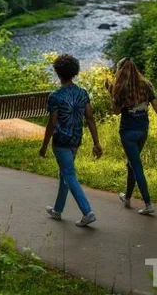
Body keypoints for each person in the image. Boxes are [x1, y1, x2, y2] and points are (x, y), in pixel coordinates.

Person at [39, 54, 103, 227]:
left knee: (68, 174)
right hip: (76, 140)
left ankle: (87, 212)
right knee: (65, 174)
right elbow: (90, 118)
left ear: (58, 73)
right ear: (74, 72)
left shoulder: (55, 96)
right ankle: (57, 210)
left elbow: (52, 123)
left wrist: (44, 146)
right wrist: (96, 142)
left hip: (60, 142)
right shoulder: (82, 93)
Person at [108, 57, 157, 215]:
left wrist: (111, 92)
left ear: (120, 70)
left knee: (136, 166)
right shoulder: (146, 84)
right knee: (132, 164)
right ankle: (128, 197)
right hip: (143, 130)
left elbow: (115, 112)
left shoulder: (120, 88)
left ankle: (148, 203)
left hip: (128, 132)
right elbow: (156, 107)